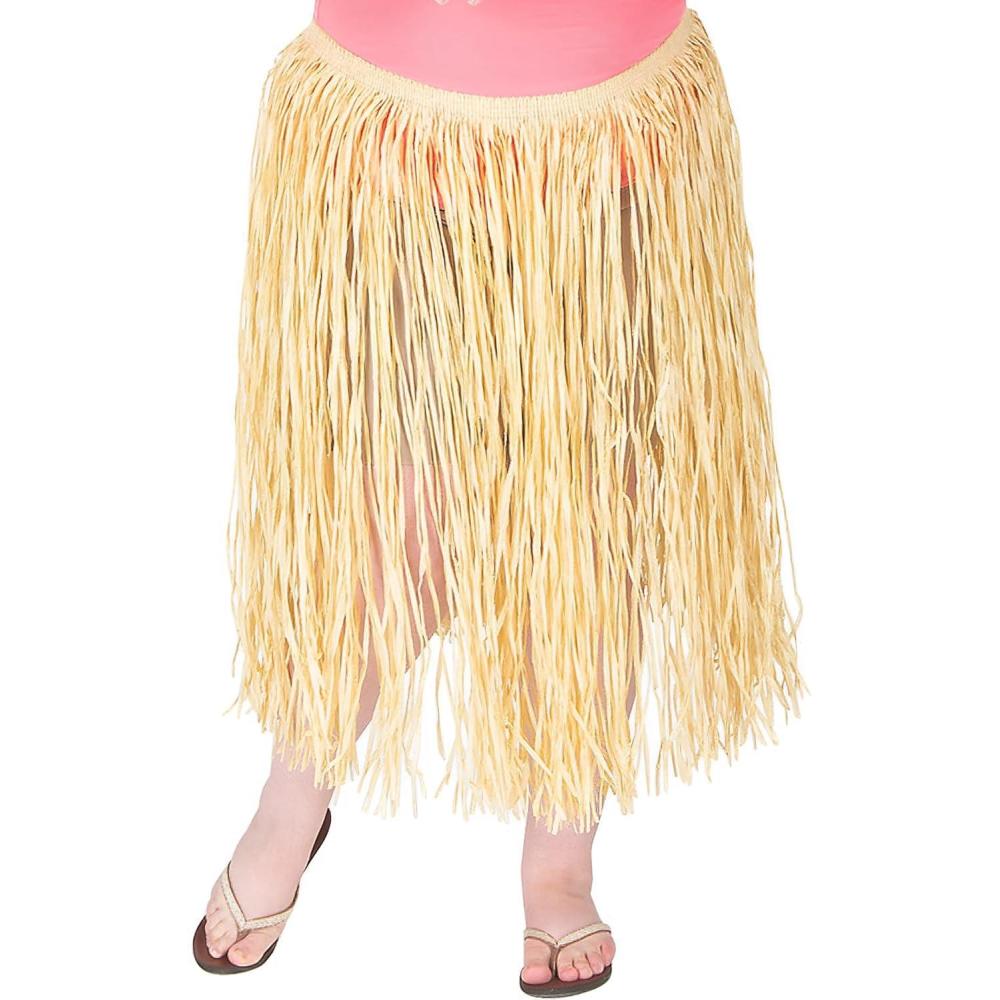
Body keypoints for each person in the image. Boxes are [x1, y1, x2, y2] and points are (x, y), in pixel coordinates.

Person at [193, 2, 805, 994]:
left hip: (604, 114)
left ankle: (560, 856)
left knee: (586, 510)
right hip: (397, 110)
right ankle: (290, 802)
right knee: (397, 516)